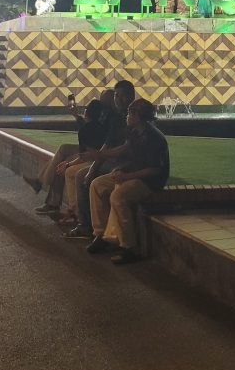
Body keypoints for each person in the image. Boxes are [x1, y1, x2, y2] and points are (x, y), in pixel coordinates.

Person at [87, 98, 170, 264]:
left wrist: (126, 177)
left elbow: (154, 170)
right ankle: (101, 234)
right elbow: (124, 149)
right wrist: (102, 156)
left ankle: (129, 247)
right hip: (133, 174)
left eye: (130, 113)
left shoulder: (154, 137)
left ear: (138, 116)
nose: (126, 116)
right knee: (98, 185)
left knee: (118, 197)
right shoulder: (134, 132)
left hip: (149, 182)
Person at [63, 80, 136, 239]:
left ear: (131, 96)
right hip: (114, 161)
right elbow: (106, 145)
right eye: (116, 96)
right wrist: (93, 167)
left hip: (128, 164)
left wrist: (97, 159)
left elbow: (126, 148)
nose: (118, 99)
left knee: (88, 179)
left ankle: (95, 230)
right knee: (82, 175)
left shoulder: (133, 117)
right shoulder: (116, 118)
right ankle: (85, 224)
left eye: (122, 96)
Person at [31, 95, 110, 215]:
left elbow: (85, 152)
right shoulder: (101, 117)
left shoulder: (111, 117)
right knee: (63, 150)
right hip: (95, 150)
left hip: (96, 154)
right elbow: (91, 128)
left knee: (62, 162)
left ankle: (50, 196)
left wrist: (68, 164)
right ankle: (44, 189)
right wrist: (76, 115)